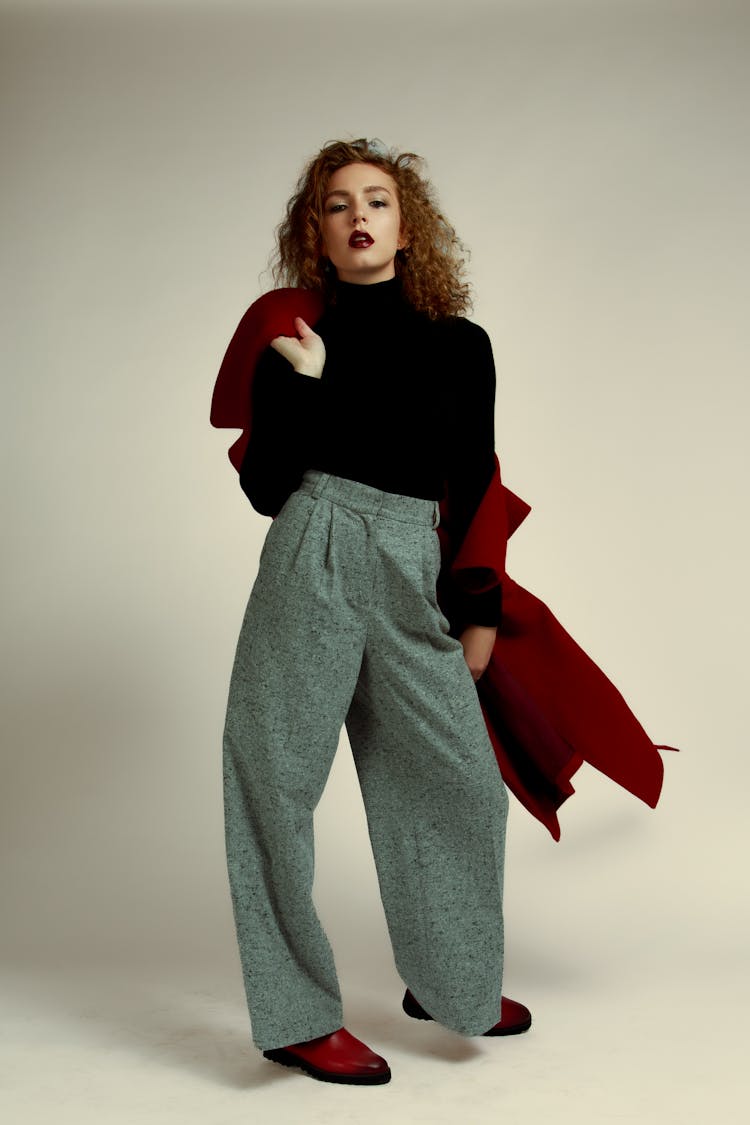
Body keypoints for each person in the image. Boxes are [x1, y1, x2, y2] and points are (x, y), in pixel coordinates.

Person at [219, 137, 532, 1087]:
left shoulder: (459, 344)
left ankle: (448, 977)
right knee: (272, 782)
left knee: (461, 783)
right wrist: (303, 389)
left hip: (408, 554)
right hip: (311, 543)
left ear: (407, 224)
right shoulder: (293, 335)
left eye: (379, 200)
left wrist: (478, 611)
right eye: (337, 204)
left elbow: (472, 479)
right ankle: (296, 1016)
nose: (359, 215)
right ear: (314, 233)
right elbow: (269, 488)